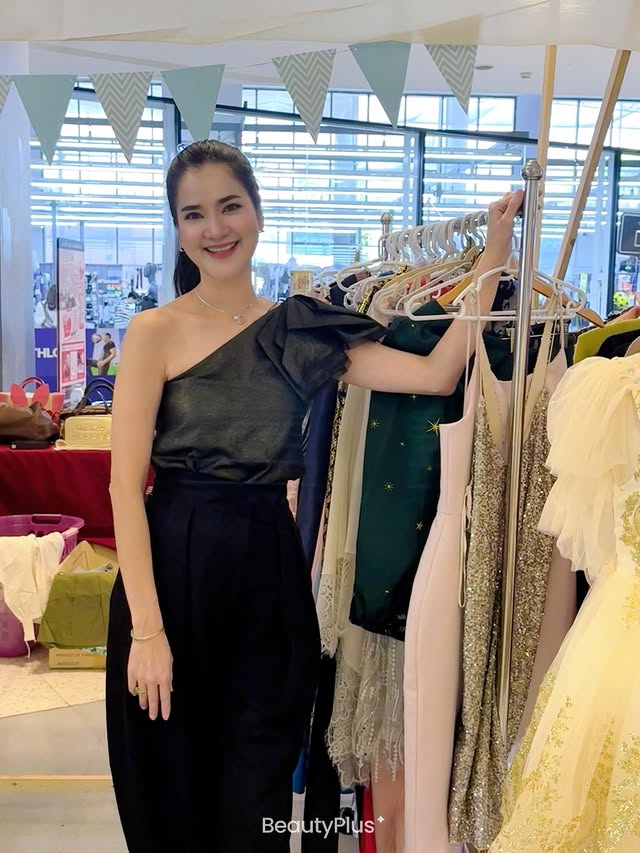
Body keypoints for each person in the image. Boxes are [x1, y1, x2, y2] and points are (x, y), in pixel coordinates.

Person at [106, 138, 522, 853]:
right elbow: (124, 486)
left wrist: (492, 258)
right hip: (172, 572)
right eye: (194, 214)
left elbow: (435, 375)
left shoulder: (298, 328)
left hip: (268, 574)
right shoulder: (154, 332)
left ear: (258, 213)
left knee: (259, 793)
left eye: (230, 206)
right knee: (170, 794)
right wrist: (147, 632)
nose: (216, 228)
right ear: (177, 229)